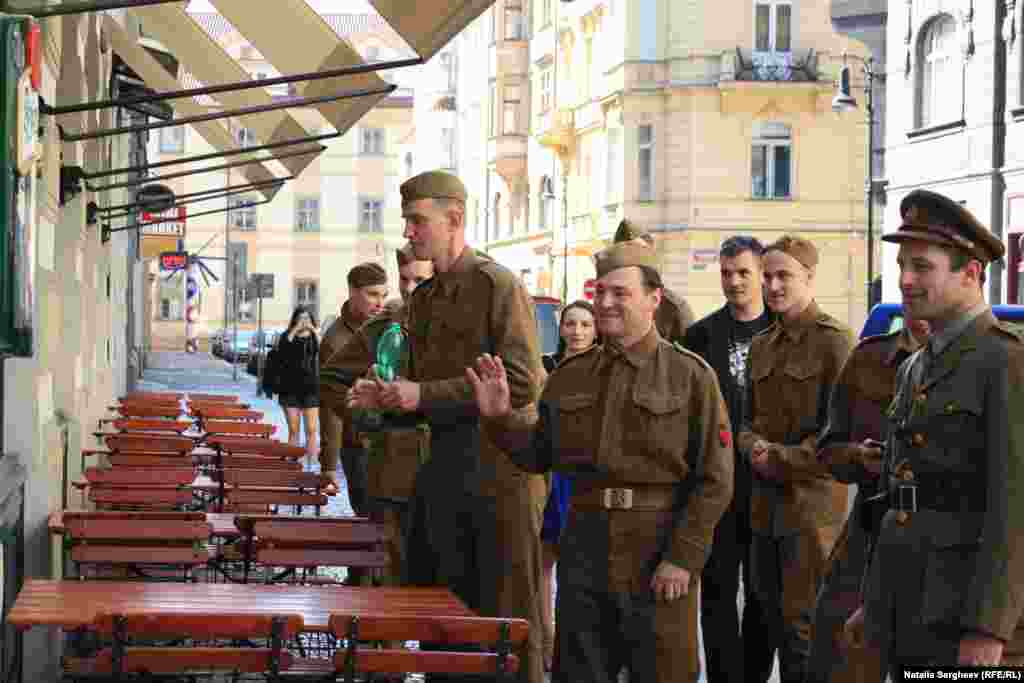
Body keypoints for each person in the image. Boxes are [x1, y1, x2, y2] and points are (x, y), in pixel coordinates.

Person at [467, 239, 734, 683]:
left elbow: (716, 478)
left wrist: (683, 557)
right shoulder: (571, 374)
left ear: (654, 299)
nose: (606, 303)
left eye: (620, 293)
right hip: (586, 549)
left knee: (664, 671)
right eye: (600, 292)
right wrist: (499, 419)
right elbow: (538, 452)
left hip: (657, 548)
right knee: (580, 671)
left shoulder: (691, 376)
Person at [347, 170, 547, 683]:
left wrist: (422, 394)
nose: (409, 232)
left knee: (507, 630)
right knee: (445, 631)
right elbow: (414, 384)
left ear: (454, 219)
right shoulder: (427, 297)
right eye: (407, 221)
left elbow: (523, 381)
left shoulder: (497, 285)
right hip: (441, 481)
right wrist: (386, 394)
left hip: (500, 481)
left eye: (418, 221)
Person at [851, 190, 1024, 673]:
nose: (905, 279)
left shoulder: (1005, 362)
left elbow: (1015, 509)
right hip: (910, 606)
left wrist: (989, 628)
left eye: (922, 266)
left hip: (967, 619)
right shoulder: (917, 367)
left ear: (970, 273)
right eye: (902, 264)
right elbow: (900, 498)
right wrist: (876, 600)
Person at [736, 235, 855, 683]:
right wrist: (753, 450)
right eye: (767, 276)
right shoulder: (763, 344)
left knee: (802, 627)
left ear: (808, 277)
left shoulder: (835, 342)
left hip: (812, 513)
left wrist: (778, 459)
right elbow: (745, 421)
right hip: (765, 509)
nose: (773, 285)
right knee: (763, 618)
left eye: (784, 276)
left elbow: (838, 434)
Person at [805, 313, 930, 683]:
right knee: (838, 657)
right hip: (869, 530)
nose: (911, 284)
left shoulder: (991, 362)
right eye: (904, 271)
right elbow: (829, 450)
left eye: (923, 270)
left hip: (947, 544)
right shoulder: (868, 359)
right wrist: (859, 456)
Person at [682, 235, 776, 683]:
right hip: (716, 488)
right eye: (725, 273)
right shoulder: (700, 336)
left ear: (761, 274)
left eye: (742, 272)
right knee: (716, 594)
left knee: (763, 594)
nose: (733, 281)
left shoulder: (784, 329)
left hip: (767, 488)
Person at [320, 244, 434, 588]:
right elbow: (330, 381)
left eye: (420, 279)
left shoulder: (459, 323)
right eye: (404, 279)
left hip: (445, 469)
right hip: (389, 463)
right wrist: (367, 416)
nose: (411, 288)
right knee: (385, 562)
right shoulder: (385, 326)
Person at [539, 299, 601, 671]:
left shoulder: (604, 369)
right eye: (571, 324)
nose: (577, 331)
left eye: (585, 325)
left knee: (578, 565)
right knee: (544, 561)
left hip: (581, 475)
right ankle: (547, 639)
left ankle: (579, 644)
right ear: (561, 328)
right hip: (548, 474)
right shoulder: (546, 366)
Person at [319, 263, 389, 503]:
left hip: (391, 440)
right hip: (359, 445)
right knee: (368, 516)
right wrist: (328, 464)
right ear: (352, 291)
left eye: (384, 295)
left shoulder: (387, 327)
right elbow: (329, 404)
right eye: (372, 294)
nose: (380, 303)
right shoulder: (336, 339)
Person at [614, 218, 695, 342]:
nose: (634, 258)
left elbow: (686, 358)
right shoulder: (605, 305)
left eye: (641, 252)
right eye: (626, 252)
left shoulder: (674, 309)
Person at [276, 305, 322, 465]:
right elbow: (283, 351)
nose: (304, 322)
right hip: (290, 389)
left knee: (311, 430)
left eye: (307, 318)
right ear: (295, 320)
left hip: (311, 390)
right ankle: (291, 465)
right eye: (301, 318)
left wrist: (314, 330)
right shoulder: (287, 336)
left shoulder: (315, 337)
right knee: (294, 430)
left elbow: (323, 349)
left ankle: (312, 466)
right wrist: (295, 330)